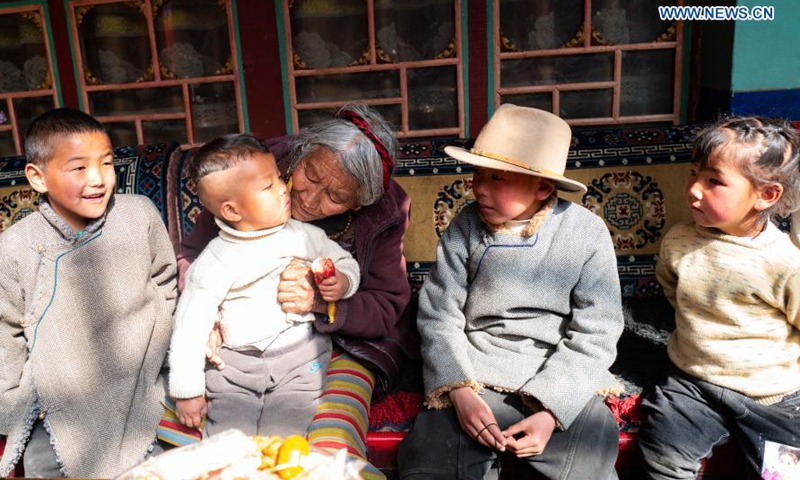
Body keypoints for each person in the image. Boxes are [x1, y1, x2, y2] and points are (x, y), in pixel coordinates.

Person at [177, 103, 413, 480]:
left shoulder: (384, 208)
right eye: (311, 175)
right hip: (242, 344)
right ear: (302, 152)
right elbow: (193, 257)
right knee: (222, 431)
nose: (308, 199)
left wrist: (324, 303)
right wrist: (210, 316)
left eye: (335, 197)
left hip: (336, 346)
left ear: (360, 202)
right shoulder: (255, 170)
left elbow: (387, 307)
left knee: (321, 441)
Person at [397, 104, 624, 480]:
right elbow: (439, 315)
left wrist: (552, 412)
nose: (479, 188)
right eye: (478, 174)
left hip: (560, 371)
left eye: (497, 178)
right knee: (432, 462)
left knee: (588, 458)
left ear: (543, 186)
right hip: (476, 369)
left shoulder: (586, 233)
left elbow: (597, 331)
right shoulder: (465, 227)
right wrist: (459, 392)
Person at [0, 108, 177, 477]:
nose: (98, 179)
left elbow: (166, 282)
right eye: (78, 168)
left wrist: (170, 352)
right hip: (60, 395)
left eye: (107, 163)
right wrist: (9, 407)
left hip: (140, 379)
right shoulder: (16, 247)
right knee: (47, 461)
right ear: (37, 177)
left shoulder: (139, 215)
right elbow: (5, 333)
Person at [636, 117, 800, 480]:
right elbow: (672, 290)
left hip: (772, 396)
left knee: (785, 474)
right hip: (693, 384)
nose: (694, 189)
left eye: (714, 181)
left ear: (766, 195)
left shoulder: (785, 263)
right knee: (661, 460)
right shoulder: (679, 240)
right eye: (694, 174)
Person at [168, 133, 360, 438]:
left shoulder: (302, 235)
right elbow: (189, 326)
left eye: (279, 179)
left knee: (285, 431)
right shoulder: (215, 261)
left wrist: (343, 282)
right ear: (232, 211)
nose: (284, 190)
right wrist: (187, 390)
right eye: (268, 187)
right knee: (229, 437)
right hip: (234, 368)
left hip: (300, 360)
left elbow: (345, 262)